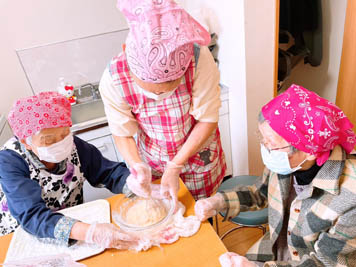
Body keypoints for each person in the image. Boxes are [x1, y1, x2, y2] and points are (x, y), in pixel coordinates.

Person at [195, 84, 356, 266]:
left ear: (309, 151)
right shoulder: (287, 164)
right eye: (262, 138)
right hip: (274, 248)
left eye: (271, 143)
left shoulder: (351, 198)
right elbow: (261, 193)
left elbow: (325, 263)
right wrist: (219, 202)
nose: (266, 148)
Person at [99, 0, 226, 204]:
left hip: (199, 157)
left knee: (202, 216)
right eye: (151, 89)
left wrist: (175, 165)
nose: (159, 95)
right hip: (153, 159)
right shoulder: (113, 78)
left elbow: (207, 118)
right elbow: (122, 132)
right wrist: (137, 166)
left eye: (170, 87)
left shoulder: (199, 58)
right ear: (127, 54)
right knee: (165, 216)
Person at [0, 92, 138, 249]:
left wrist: (134, 184)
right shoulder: (9, 161)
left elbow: (107, 172)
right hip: (25, 235)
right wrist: (90, 233)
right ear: (26, 142)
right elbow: (31, 215)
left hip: (72, 225)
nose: (60, 143)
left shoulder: (73, 145)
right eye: (49, 139)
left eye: (65, 133)